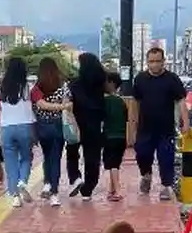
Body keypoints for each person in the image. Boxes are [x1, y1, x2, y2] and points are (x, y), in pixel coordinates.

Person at [131, 46, 188, 201]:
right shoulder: (140, 79)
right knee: (142, 154)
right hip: (145, 128)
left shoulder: (172, 79)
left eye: (157, 61)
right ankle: (146, 175)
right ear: (147, 62)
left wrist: (185, 121)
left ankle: (165, 186)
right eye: (151, 61)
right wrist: (133, 124)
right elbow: (135, 102)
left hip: (165, 129)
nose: (154, 64)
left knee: (166, 158)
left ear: (163, 61)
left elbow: (181, 100)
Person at [30, 56, 72, 206]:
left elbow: (40, 105)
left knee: (47, 156)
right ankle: (54, 192)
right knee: (55, 158)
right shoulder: (63, 86)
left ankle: (47, 183)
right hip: (58, 125)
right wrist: (62, 107)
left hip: (42, 127)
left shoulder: (36, 88)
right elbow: (68, 105)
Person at [67, 52, 108, 201]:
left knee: (72, 152)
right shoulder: (101, 84)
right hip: (95, 124)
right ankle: (88, 188)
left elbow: (69, 102)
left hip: (76, 124)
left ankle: (75, 177)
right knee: (93, 157)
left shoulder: (75, 84)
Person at [0, 56, 36, 208]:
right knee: (26, 157)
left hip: (7, 128)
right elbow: (30, 109)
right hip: (24, 127)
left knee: (10, 163)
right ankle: (22, 182)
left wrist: (0, 131)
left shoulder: (2, 88)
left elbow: (0, 111)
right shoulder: (27, 87)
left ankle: (15, 197)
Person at [103, 70, 128, 201]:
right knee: (115, 164)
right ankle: (111, 189)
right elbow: (126, 119)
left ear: (111, 83)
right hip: (121, 137)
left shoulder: (106, 101)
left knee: (112, 165)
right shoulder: (121, 102)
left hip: (109, 137)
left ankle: (117, 191)